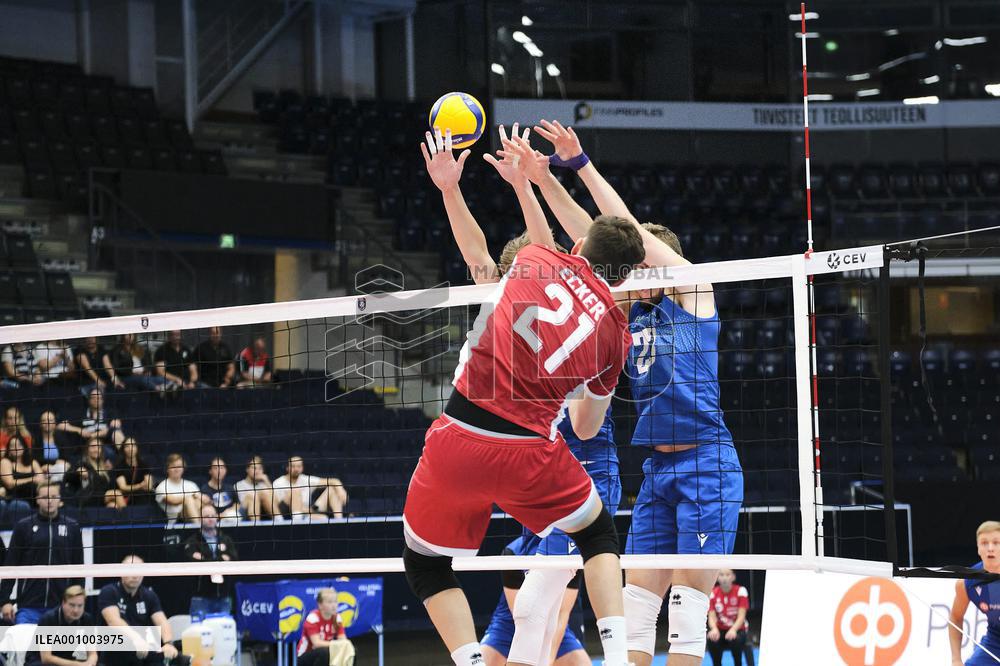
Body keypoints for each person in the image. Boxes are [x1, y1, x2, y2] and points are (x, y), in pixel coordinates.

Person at [503, 123, 744, 666]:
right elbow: (595, 236)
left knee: (685, 615)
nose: (630, 274)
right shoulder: (628, 311)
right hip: (656, 471)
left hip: (708, 462)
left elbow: (624, 230)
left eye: (640, 266)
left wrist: (580, 162)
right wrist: (543, 182)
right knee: (635, 614)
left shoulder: (693, 292)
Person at [401, 127, 643, 666]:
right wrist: (528, 182)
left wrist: (460, 188)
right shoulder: (614, 333)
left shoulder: (530, 265)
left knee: (426, 564)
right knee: (597, 538)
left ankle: (469, 660)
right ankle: (620, 655)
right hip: (535, 453)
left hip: (460, 436)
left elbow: (499, 248)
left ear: (574, 249)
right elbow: (585, 425)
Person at [481, 534, 590, 666]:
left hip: (554, 620)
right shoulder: (512, 552)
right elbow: (523, 612)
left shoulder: (569, 550)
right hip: (508, 624)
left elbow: (563, 612)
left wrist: (549, 659)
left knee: (580, 662)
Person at [1, 482, 84, 624]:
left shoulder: (73, 527)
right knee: (26, 645)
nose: (50, 500)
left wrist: (77, 601)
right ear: (37, 500)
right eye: (45, 497)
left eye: (53, 496)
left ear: (60, 500)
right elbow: (11, 565)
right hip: (29, 606)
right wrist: (4, 601)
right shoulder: (23, 526)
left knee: (60, 646)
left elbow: (79, 569)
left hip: (61, 607)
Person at [99, 555, 178, 666]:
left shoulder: (149, 595)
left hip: (142, 654)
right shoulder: (109, 591)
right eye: (131, 571)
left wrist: (168, 643)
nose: (135, 575)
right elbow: (113, 621)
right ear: (121, 572)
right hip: (115, 654)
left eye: (139, 571)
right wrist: (136, 639)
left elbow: (162, 621)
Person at [950, 520, 1000, 665]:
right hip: (995, 640)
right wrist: (956, 659)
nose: (990, 548)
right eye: (984, 543)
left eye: (996, 542)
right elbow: (955, 617)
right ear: (978, 548)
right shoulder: (967, 583)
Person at [28, 585, 98, 666]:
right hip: (39, 662)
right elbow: (46, 658)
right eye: (72, 605)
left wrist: (90, 663)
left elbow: (92, 653)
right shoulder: (48, 619)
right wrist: (77, 664)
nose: (76, 610)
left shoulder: (87, 619)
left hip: (67, 660)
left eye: (80, 606)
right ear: (63, 603)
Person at [183, 503, 238, 598]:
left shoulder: (226, 539)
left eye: (213, 515)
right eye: (207, 516)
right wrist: (221, 558)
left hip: (224, 593)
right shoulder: (192, 541)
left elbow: (234, 559)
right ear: (200, 518)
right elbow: (192, 562)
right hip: (200, 595)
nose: (210, 518)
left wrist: (205, 558)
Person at [271, 455, 347, 521]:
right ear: (287, 468)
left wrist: (341, 490)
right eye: (293, 466)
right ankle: (298, 522)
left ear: (302, 468)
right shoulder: (278, 483)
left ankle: (339, 521)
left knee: (333, 489)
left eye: (298, 466)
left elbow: (333, 481)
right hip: (289, 515)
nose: (296, 469)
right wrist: (307, 510)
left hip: (309, 512)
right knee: (295, 490)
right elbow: (277, 508)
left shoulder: (305, 479)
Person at [296, 587, 355, 666]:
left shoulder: (337, 618)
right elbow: (316, 643)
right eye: (330, 602)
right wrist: (337, 644)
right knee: (324, 652)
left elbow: (343, 640)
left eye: (335, 601)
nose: (334, 605)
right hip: (305, 656)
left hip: (326, 651)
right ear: (320, 605)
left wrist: (345, 645)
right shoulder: (313, 618)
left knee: (351, 651)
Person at [707, 570, 753, 666]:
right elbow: (711, 616)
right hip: (721, 630)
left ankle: (738, 663)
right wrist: (714, 629)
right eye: (721, 575)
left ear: (733, 577)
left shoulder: (741, 591)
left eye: (728, 575)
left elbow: (741, 616)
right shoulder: (713, 593)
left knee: (734, 639)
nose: (724, 578)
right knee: (711, 638)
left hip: (738, 629)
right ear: (717, 577)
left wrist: (733, 630)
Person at [66, 437, 124, 509]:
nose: (96, 450)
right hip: (89, 498)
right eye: (93, 447)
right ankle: (129, 518)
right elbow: (67, 477)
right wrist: (78, 472)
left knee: (113, 506)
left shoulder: (103, 465)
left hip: (101, 498)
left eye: (99, 447)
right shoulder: (82, 463)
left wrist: (110, 471)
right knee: (116, 494)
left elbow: (108, 486)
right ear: (87, 449)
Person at [103, 334, 168, 393]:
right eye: (127, 334)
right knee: (142, 380)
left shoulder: (140, 349)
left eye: (131, 334)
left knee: (161, 379)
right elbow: (117, 367)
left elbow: (148, 364)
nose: (129, 336)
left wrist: (147, 371)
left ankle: (169, 386)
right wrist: (131, 372)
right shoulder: (117, 351)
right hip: (127, 377)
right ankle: (158, 389)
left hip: (143, 375)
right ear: (123, 336)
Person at [155, 453, 201, 524]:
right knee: (189, 499)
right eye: (173, 467)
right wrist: (191, 496)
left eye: (179, 466)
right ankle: (199, 528)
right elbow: (173, 501)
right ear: (167, 469)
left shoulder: (191, 485)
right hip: (176, 522)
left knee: (200, 503)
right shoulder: (162, 486)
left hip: (195, 516)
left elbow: (200, 502)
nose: (177, 469)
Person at [31, 410, 74, 483]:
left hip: (59, 470)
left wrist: (52, 465)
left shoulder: (62, 439)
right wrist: (55, 462)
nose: (47, 423)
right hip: (42, 471)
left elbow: (67, 458)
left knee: (62, 469)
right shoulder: (35, 440)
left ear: (54, 423)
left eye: (50, 420)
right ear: (40, 424)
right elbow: (36, 459)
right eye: (44, 420)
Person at [0, 436, 43, 506]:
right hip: (14, 495)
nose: (16, 448)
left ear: (24, 447)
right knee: (31, 486)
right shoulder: (5, 461)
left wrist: (35, 480)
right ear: (9, 449)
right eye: (12, 446)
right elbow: (9, 483)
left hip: (34, 493)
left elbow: (41, 479)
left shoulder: (33, 462)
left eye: (19, 445)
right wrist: (32, 479)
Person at [114, 438, 155, 506]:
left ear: (137, 448)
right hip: (127, 498)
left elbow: (148, 486)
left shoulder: (143, 464)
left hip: (142, 496)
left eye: (133, 445)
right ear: (123, 449)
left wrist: (134, 487)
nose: (130, 448)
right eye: (127, 446)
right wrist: (140, 485)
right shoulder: (119, 466)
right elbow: (123, 487)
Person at [234, 454, 275, 521]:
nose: (257, 471)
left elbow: (275, 502)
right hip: (245, 516)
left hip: (265, 514)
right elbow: (241, 506)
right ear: (247, 469)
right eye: (254, 468)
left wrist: (266, 481)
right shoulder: (239, 485)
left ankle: (279, 521)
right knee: (253, 496)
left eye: (260, 468)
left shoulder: (264, 484)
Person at [200, 456, 240, 521]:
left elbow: (237, 503)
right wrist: (221, 516)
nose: (219, 471)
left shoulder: (230, 488)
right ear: (210, 471)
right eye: (216, 468)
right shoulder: (204, 489)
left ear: (225, 470)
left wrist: (230, 511)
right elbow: (205, 511)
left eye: (222, 468)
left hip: (230, 519)